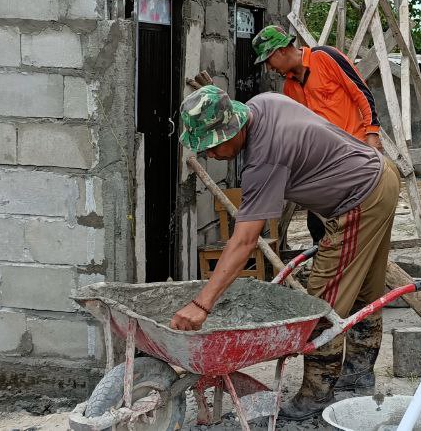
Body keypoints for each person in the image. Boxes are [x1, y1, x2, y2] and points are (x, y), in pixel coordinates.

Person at [171, 85, 401, 421]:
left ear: (231, 129)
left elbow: (245, 240)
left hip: (360, 200)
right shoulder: (262, 103)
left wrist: (201, 303)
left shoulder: (264, 156)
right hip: (379, 176)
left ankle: (316, 394)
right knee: (364, 289)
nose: (211, 155)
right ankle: (358, 375)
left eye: (212, 147)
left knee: (323, 301)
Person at [251, 25, 383, 243]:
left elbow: (362, 93)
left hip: (355, 154)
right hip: (325, 163)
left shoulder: (325, 57)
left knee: (358, 221)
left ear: (280, 51)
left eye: (268, 61)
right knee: (318, 226)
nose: (269, 68)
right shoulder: (290, 89)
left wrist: (372, 134)